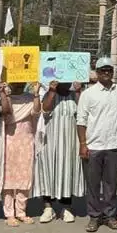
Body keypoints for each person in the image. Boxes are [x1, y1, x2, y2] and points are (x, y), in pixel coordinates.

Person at [77, 57, 117, 232]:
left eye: (109, 70)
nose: (106, 73)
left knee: (111, 184)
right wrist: (83, 143)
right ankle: (94, 216)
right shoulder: (88, 94)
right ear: (97, 73)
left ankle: (110, 215)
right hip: (94, 146)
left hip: (114, 145)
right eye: (103, 70)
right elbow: (81, 121)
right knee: (93, 184)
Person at [38, 81, 85, 223]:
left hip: (71, 142)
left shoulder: (75, 94)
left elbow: (83, 112)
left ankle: (67, 207)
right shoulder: (49, 94)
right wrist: (52, 91)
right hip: (50, 142)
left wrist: (78, 92)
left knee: (67, 172)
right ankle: (48, 208)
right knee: (48, 172)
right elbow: (45, 110)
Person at [0, 82, 41, 227]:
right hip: (9, 141)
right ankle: (9, 213)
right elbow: (6, 115)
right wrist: (4, 94)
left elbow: (36, 112)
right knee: (8, 179)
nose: (19, 84)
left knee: (24, 177)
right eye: (16, 81)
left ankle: (21, 212)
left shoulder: (29, 97)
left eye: (22, 81)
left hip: (26, 140)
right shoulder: (4, 98)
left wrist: (36, 94)